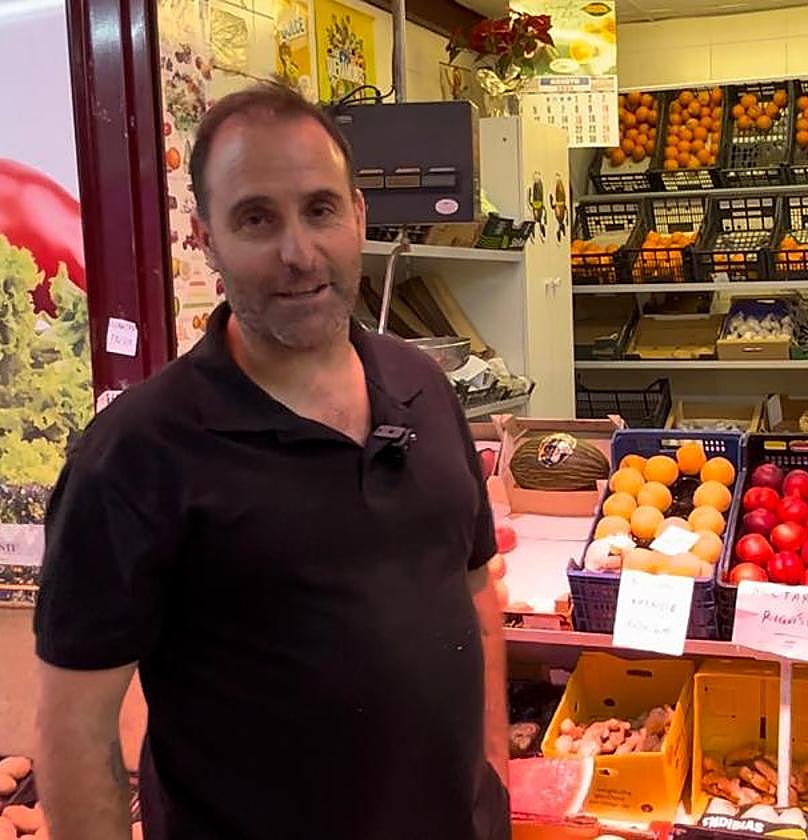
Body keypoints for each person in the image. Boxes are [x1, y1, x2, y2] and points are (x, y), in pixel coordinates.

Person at [34, 83, 510, 840]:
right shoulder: (135, 455)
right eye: (257, 219)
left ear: (359, 215)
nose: (299, 253)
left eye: (320, 210)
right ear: (206, 238)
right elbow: (77, 729)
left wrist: (491, 798)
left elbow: (476, 598)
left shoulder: (421, 386)